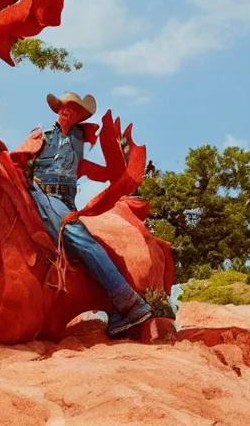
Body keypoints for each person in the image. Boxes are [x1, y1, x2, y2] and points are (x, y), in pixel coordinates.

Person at [24, 90, 154, 337]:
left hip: (66, 199)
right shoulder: (42, 135)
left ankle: (114, 306)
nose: (66, 110)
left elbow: (90, 169)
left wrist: (118, 170)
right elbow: (23, 160)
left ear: (78, 115)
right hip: (44, 195)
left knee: (83, 244)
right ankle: (127, 301)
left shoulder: (77, 139)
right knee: (76, 233)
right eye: (63, 106)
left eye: (73, 108)